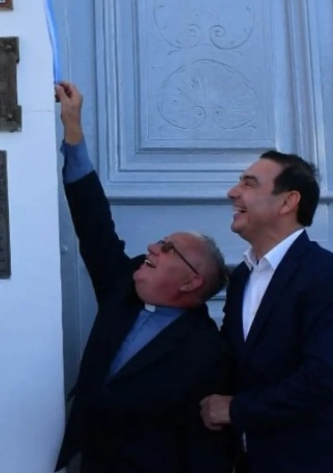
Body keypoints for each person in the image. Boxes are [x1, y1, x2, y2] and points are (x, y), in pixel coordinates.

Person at [53, 82, 232, 473]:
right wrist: (73, 130)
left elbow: (205, 449)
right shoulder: (124, 290)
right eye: (161, 242)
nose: (153, 248)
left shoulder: (207, 352)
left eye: (169, 249)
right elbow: (94, 224)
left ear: (191, 282)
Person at [200, 151, 333, 472]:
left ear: (287, 202)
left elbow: (326, 378)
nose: (232, 192)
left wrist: (237, 410)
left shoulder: (325, 275)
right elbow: (234, 363)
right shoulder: (241, 277)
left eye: (249, 184)